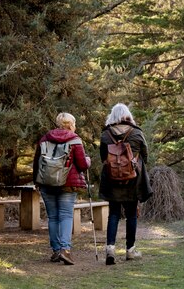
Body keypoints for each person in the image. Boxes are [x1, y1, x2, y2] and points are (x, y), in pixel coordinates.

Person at [33, 112, 91, 265]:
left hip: (46, 182)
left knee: (53, 217)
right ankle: (65, 250)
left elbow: (36, 162)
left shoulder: (44, 139)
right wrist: (88, 161)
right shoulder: (75, 140)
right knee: (65, 215)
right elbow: (82, 165)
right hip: (68, 184)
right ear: (71, 124)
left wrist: (37, 181)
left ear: (58, 123)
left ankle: (56, 250)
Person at [99, 103, 152, 265]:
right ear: (128, 115)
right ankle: (130, 250)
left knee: (113, 214)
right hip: (133, 180)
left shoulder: (106, 134)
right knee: (131, 215)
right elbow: (146, 156)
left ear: (112, 116)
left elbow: (103, 158)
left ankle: (110, 249)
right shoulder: (136, 133)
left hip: (112, 179)